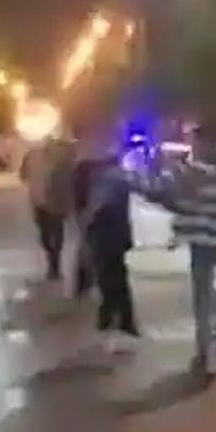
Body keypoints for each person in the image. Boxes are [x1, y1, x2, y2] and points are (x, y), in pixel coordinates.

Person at [160, 128, 216, 375]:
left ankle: (213, 348)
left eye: (196, 143)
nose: (195, 148)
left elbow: (176, 200)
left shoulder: (194, 172)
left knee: (214, 296)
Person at [78, 137, 139, 338]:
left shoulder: (106, 179)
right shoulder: (118, 177)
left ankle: (111, 315)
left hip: (104, 234)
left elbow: (96, 206)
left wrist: (85, 224)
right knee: (118, 274)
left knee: (107, 276)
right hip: (118, 234)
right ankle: (122, 317)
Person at [22, 138, 75, 281]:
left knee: (57, 232)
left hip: (55, 202)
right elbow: (24, 174)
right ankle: (51, 256)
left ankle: (55, 263)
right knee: (44, 235)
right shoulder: (32, 157)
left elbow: (69, 178)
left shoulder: (61, 160)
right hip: (38, 202)